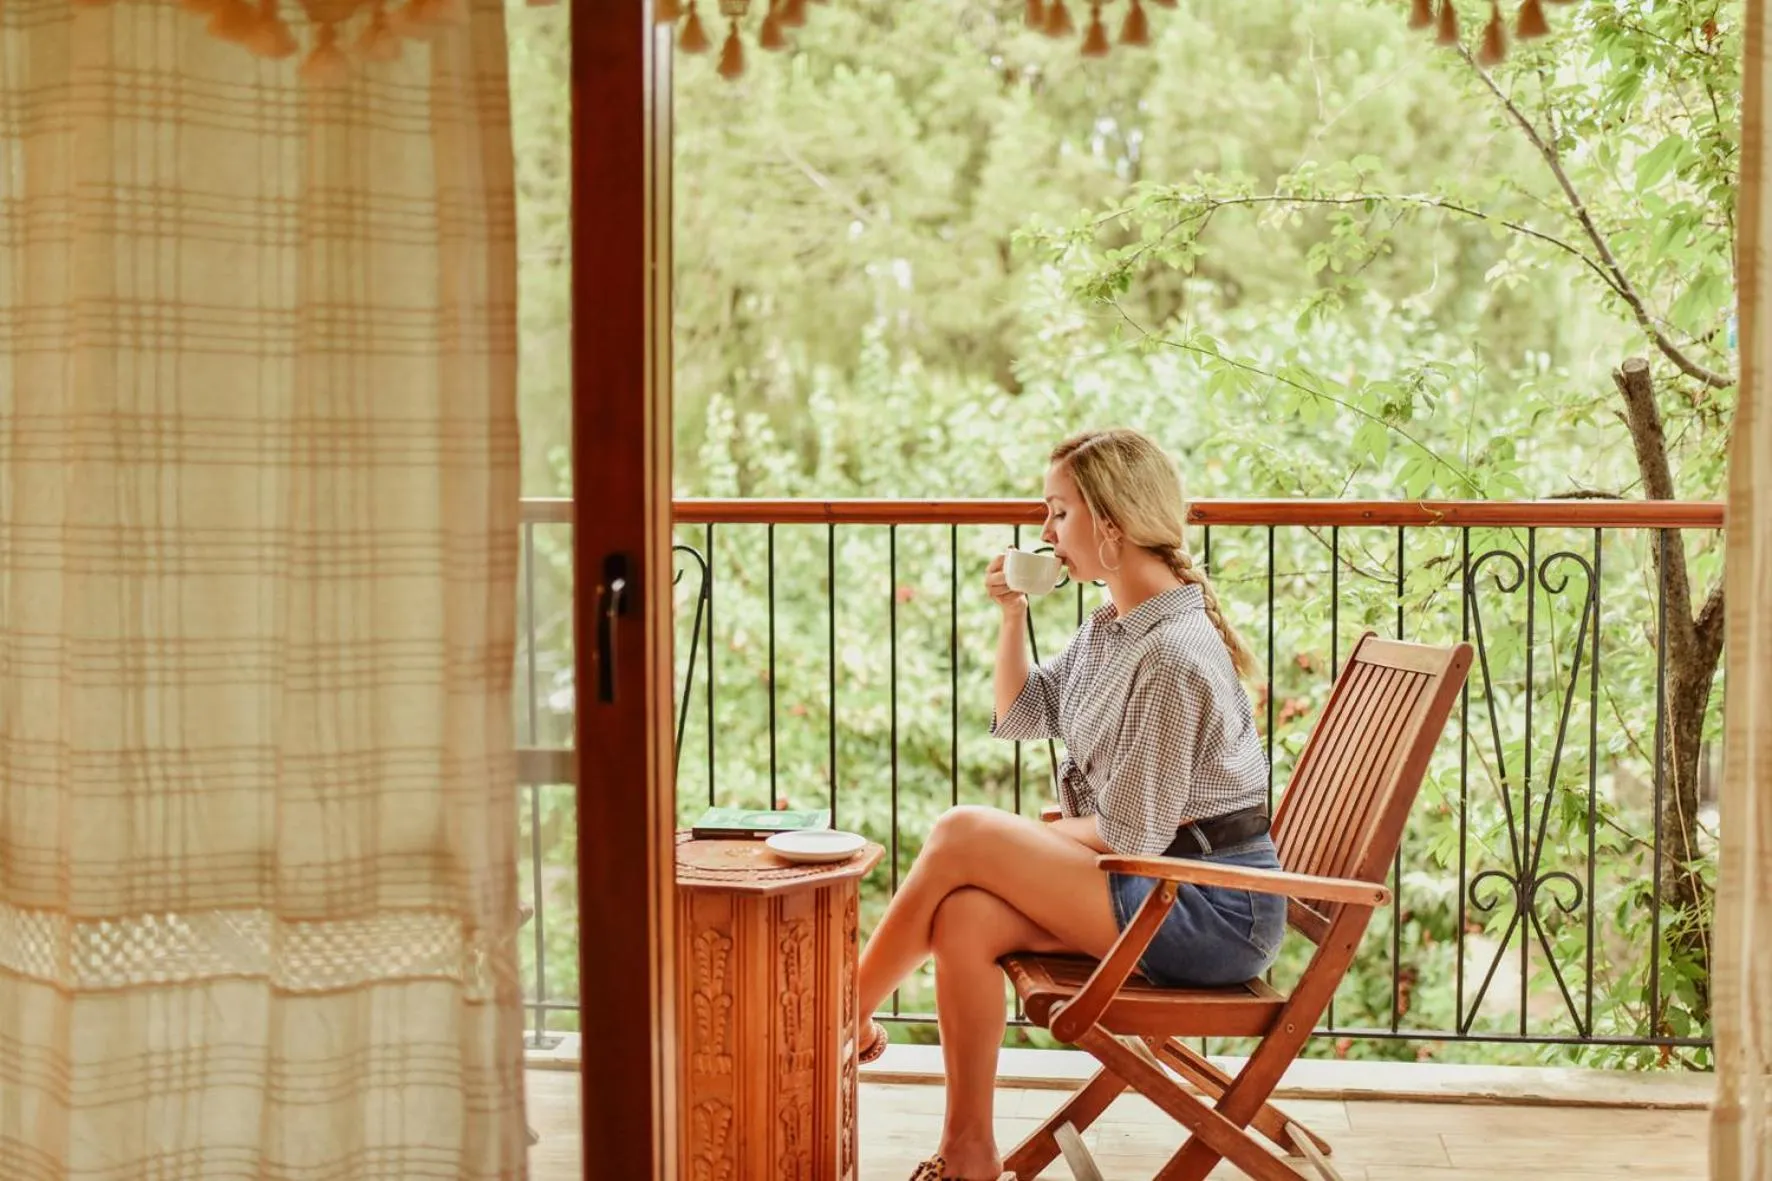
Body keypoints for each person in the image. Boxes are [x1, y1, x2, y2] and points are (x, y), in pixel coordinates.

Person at [853, 428, 1286, 1181]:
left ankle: (836, 1019)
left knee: (962, 831)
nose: (1045, 533)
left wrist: (1018, 840)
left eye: (1059, 512)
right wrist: (1011, 614)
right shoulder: (1113, 625)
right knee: (966, 915)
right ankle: (968, 1151)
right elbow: (1026, 711)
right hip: (1160, 883)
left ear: (1111, 524)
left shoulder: (1171, 652)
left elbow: (1133, 835)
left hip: (1212, 909)